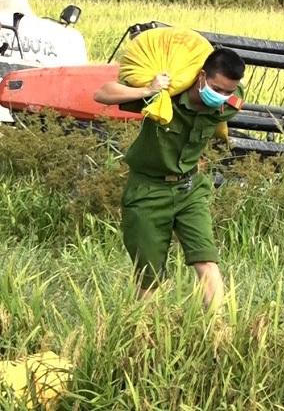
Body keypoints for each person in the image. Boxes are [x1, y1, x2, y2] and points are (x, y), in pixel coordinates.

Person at [94, 48, 246, 309]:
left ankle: (220, 332)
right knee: (149, 278)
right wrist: (148, 91)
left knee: (206, 261)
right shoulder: (165, 97)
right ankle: (147, 333)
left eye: (227, 91)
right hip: (147, 190)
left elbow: (227, 107)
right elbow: (102, 93)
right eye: (216, 88)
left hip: (190, 188)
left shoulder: (230, 103)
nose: (221, 96)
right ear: (201, 77)